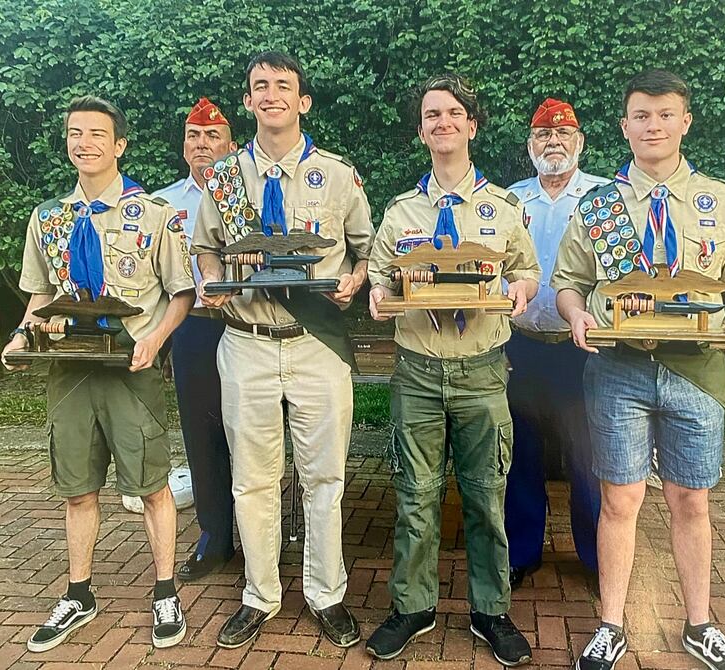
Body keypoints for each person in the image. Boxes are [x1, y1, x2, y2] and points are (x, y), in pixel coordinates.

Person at [553, 69, 725, 670]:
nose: (653, 125)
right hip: (618, 367)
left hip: (695, 368)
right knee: (620, 500)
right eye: (641, 115)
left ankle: (700, 623)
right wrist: (575, 316)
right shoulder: (600, 207)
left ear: (684, 121)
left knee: (691, 500)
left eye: (665, 114)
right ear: (624, 127)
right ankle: (610, 625)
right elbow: (569, 283)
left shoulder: (721, 202)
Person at [191, 51, 375, 650]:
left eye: (283, 86)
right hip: (244, 342)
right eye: (259, 86)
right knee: (253, 479)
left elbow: (365, 249)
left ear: (304, 101)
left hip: (316, 343)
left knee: (325, 478)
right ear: (247, 102)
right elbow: (206, 250)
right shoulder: (221, 178)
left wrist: (355, 280)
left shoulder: (339, 174)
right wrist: (208, 281)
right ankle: (260, 595)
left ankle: (327, 593)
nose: (271, 94)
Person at [1, 96, 195, 651]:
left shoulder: (155, 215)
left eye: (95, 134)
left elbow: (181, 293)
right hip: (70, 372)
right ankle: (79, 592)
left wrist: (155, 340)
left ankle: (164, 588)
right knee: (77, 488)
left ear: (119, 145)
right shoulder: (49, 218)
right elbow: (40, 294)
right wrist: (21, 336)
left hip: (131, 370)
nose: (82, 143)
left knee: (151, 484)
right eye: (73, 133)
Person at [367, 73, 541, 667]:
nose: (442, 122)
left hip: (482, 370)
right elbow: (381, 275)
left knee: (486, 496)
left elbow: (528, 271)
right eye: (431, 115)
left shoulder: (502, 208)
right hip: (417, 370)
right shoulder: (400, 212)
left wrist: (518, 287)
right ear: (422, 131)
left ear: (471, 125)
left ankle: (491, 610)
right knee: (414, 497)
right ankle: (412, 608)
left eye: (452, 113)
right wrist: (377, 290)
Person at [504, 98, 605, 587]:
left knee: (586, 454)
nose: (554, 143)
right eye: (543, 135)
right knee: (521, 451)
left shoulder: (603, 198)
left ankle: (595, 556)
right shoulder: (509, 200)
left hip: (581, 346)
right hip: (521, 343)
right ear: (530, 146)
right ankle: (522, 552)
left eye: (563, 135)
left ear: (580, 143)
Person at [154, 97, 237, 581]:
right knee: (202, 434)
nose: (202, 145)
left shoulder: (250, 193)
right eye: (194, 136)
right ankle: (215, 538)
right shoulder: (163, 204)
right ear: (184, 146)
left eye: (212, 137)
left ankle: (263, 535)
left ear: (231, 145)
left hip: (248, 325)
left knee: (254, 435)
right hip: (195, 328)